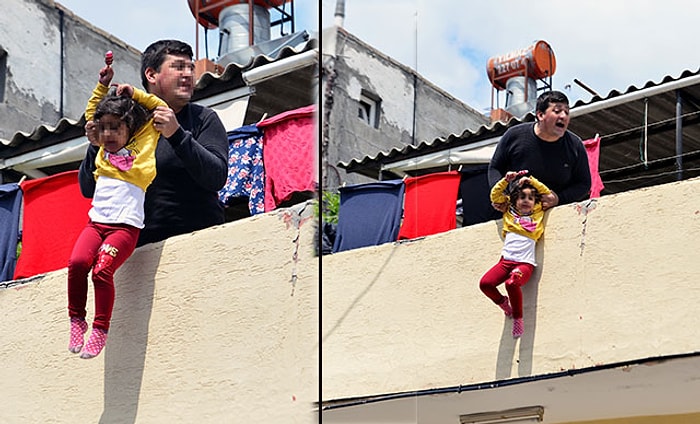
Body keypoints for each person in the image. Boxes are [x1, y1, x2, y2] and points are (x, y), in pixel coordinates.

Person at [80, 39, 228, 246]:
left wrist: (176, 134)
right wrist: (96, 145)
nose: (188, 74)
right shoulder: (126, 121)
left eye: (190, 68)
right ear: (151, 75)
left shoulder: (204, 118)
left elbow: (217, 177)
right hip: (136, 252)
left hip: (198, 243)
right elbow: (88, 188)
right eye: (178, 67)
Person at [68, 55, 167, 359]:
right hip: (95, 224)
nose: (108, 134)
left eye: (116, 128)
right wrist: (102, 85)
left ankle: (100, 328)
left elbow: (159, 108)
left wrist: (133, 93)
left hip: (125, 227)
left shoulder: (145, 141)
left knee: (102, 271)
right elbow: (91, 111)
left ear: (130, 127)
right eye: (103, 128)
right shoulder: (99, 148)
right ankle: (76, 320)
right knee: (77, 264)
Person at [488, 90, 591, 212]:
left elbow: (584, 183)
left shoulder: (575, 145)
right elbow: (494, 168)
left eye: (567, 112)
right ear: (540, 115)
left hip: (556, 216)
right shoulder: (514, 135)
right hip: (515, 215)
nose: (563, 116)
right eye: (557, 111)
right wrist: (502, 196)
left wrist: (558, 198)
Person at [479, 170, 550, 338]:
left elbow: (546, 194)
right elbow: (495, 196)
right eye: (522, 197)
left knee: (512, 283)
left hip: (524, 264)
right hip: (505, 262)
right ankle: (503, 303)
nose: (526, 201)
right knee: (485, 284)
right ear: (515, 200)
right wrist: (506, 180)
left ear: (535, 202)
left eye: (530, 198)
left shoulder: (537, 213)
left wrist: (531, 181)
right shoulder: (509, 213)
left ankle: (518, 318)